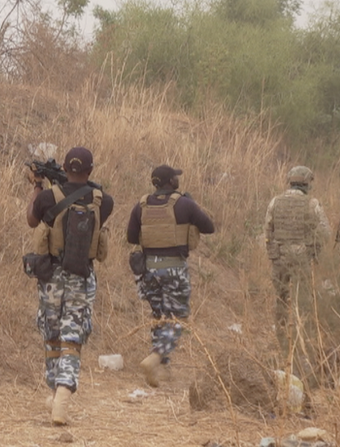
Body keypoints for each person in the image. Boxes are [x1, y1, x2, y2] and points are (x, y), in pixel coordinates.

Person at [26, 147, 114, 425]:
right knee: (72, 337)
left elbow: (32, 219)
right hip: (82, 276)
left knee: (51, 334)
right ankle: (63, 392)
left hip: (52, 275)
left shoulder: (48, 197)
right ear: (91, 170)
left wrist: (39, 186)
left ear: (64, 167)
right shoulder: (104, 201)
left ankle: (54, 389)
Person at [125, 164, 215, 387]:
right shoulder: (184, 203)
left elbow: (131, 237)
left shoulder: (141, 205)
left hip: (149, 270)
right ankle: (156, 357)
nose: (178, 179)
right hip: (174, 268)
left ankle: (162, 369)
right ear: (169, 182)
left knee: (159, 316)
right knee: (177, 317)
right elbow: (209, 227)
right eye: (175, 177)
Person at [264, 165, 331, 356]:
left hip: (279, 259)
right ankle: (302, 342)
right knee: (303, 302)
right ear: (307, 183)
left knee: (281, 299)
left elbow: (268, 229)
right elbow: (325, 232)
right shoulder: (312, 203)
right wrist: (313, 249)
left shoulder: (275, 201)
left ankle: (281, 339)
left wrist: (273, 253)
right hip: (302, 259)